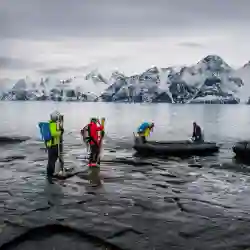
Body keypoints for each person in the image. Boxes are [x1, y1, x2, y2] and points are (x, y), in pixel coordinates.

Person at [46, 111, 64, 179]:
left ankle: (50, 173)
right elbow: (54, 133)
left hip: (51, 144)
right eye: (58, 117)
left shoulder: (51, 123)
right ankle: (50, 174)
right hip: (53, 145)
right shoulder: (53, 124)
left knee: (52, 159)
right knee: (52, 159)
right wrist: (60, 132)